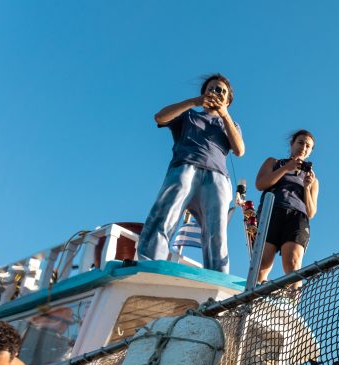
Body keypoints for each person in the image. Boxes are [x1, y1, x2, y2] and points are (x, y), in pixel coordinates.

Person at [137, 74, 245, 273]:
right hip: (185, 167)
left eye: (222, 91)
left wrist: (224, 115)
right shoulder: (188, 115)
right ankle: (149, 262)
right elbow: (160, 117)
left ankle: (217, 274)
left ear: (228, 100)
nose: (216, 92)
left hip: (218, 177)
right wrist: (193, 102)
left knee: (217, 231)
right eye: (212, 88)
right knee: (166, 214)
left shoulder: (230, 125)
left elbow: (239, 150)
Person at [254, 130, 320, 284]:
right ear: (292, 144)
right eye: (300, 142)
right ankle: (252, 300)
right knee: (262, 263)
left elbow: (310, 211)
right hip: (271, 212)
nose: (303, 147)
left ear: (310, 152)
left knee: (292, 264)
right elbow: (260, 184)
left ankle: (293, 302)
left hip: (297, 217)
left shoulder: (313, 180)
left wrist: (306, 187)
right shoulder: (273, 162)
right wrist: (286, 168)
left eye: (308, 146)